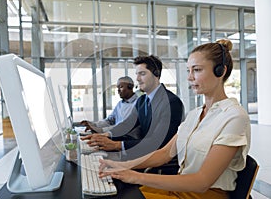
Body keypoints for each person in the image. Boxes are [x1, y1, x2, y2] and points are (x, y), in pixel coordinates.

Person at [99, 39, 251, 199]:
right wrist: (122, 166)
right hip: (179, 188)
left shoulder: (234, 117)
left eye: (197, 70)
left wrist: (133, 176)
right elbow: (165, 154)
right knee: (115, 193)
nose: (190, 78)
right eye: (188, 71)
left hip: (203, 194)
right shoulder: (195, 114)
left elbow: (202, 182)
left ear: (220, 71)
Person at [82, 55, 184, 160]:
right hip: (142, 153)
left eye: (142, 74)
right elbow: (127, 124)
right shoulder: (142, 101)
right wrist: (105, 135)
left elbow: (157, 141)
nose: (137, 79)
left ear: (156, 74)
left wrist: (117, 145)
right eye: (137, 74)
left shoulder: (171, 102)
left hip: (157, 161)